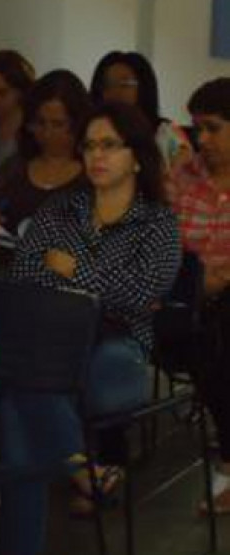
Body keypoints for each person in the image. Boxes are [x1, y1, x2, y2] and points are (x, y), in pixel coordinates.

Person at [4, 102, 181, 555]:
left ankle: (44, 507)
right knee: (19, 394)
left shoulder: (158, 221)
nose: (96, 156)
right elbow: (25, 276)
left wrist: (76, 271)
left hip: (120, 345)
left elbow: (143, 294)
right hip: (54, 338)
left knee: (20, 394)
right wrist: (99, 286)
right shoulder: (60, 208)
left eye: (109, 145)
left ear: (137, 156)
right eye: (89, 146)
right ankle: (84, 471)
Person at [169, 77, 230, 513]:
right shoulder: (181, 177)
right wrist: (197, 280)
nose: (201, 140)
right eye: (197, 129)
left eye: (212, 128)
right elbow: (163, 245)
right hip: (187, 297)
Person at [0, 70, 92, 269]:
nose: (47, 133)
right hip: (6, 278)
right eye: (40, 123)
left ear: (79, 124)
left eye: (58, 124)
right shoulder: (14, 167)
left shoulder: (93, 175)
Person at [89, 50, 192, 170]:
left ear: (144, 88)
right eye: (107, 84)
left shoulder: (166, 135)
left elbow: (184, 181)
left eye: (124, 84)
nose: (114, 91)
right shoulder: (91, 133)